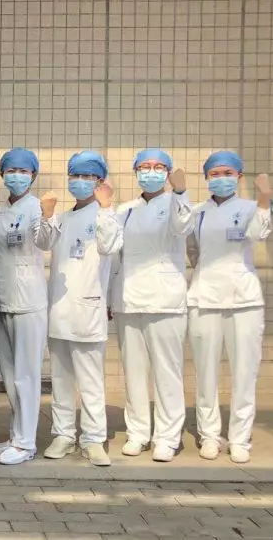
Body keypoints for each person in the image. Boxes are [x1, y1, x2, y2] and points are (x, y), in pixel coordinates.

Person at [35, 150, 122, 467]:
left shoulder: (107, 215)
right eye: (76, 176)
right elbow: (43, 243)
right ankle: (63, 435)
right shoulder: (63, 218)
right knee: (60, 380)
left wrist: (107, 207)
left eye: (88, 176)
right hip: (59, 310)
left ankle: (94, 439)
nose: (80, 182)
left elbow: (109, 245)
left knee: (91, 381)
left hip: (89, 310)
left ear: (100, 181)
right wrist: (46, 215)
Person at [187, 150, 273, 464]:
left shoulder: (251, 207)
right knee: (205, 372)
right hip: (204, 297)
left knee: (244, 372)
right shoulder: (197, 212)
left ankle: (240, 439)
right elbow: (192, 251)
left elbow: (259, 234)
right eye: (214, 174)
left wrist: (264, 198)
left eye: (227, 173)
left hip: (244, 299)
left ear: (238, 176)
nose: (221, 178)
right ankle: (209, 435)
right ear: (206, 178)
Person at [109, 149, 194, 463]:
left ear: (168, 172)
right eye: (144, 167)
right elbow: (114, 256)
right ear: (135, 172)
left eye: (158, 167)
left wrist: (181, 192)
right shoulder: (125, 210)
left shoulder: (177, 203)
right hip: (129, 299)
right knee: (133, 372)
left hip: (165, 301)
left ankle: (168, 437)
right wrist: (110, 297)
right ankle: (138, 433)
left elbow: (183, 227)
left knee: (166, 372)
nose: (151, 172)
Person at [0, 148, 48, 466]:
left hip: (28, 303)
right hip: (1, 300)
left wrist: (49, 217)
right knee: (10, 376)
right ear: (2, 174)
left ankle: (26, 443)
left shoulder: (38, 208)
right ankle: (15, 435)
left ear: (33, 175)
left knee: (26, 375)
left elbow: (46, 241)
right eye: (11, 170)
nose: (17, 176)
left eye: (23, 171)